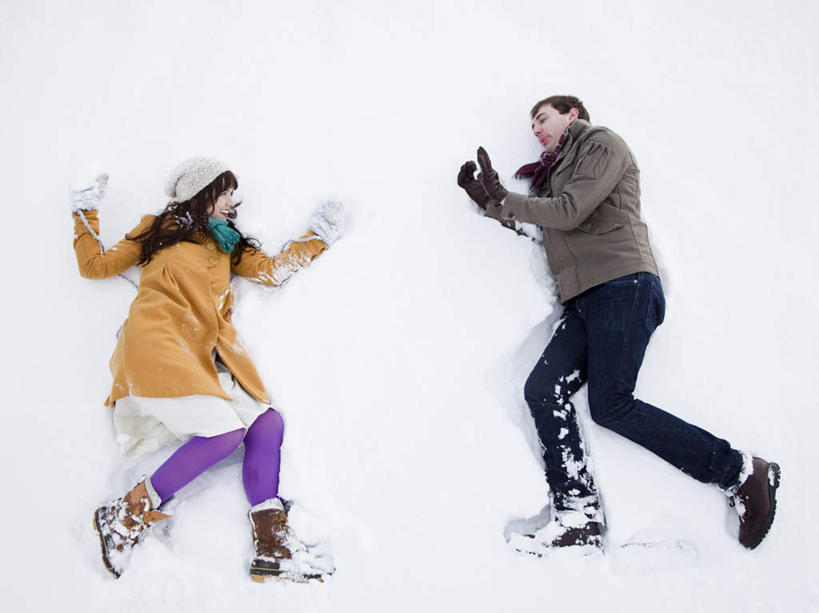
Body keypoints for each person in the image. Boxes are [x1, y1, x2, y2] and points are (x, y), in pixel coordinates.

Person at [457, 95, 780, 552]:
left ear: (573, 114)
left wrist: (510, 199)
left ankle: (741, 471)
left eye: (542, 118)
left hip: (623, 285)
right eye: (531, 125)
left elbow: (570, 211)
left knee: (612, 404)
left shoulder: (601, 146)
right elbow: (547, 226)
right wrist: (492, 204)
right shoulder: (552, 176)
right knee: (541, 390)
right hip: (585, 300)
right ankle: (579, 515)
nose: (537, 129)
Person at [71, 157, 343, 580]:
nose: (233, 203)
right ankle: (123, 518)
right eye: (225, 193)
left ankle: (272, 546)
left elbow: (271, 272)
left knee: (266, 423)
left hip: (201, 360)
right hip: (157, 347)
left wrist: (317, 238)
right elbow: (95, 266)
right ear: (202, 192)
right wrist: (83, 210)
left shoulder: (229, 244)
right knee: (225, 433)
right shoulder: (156, 231)